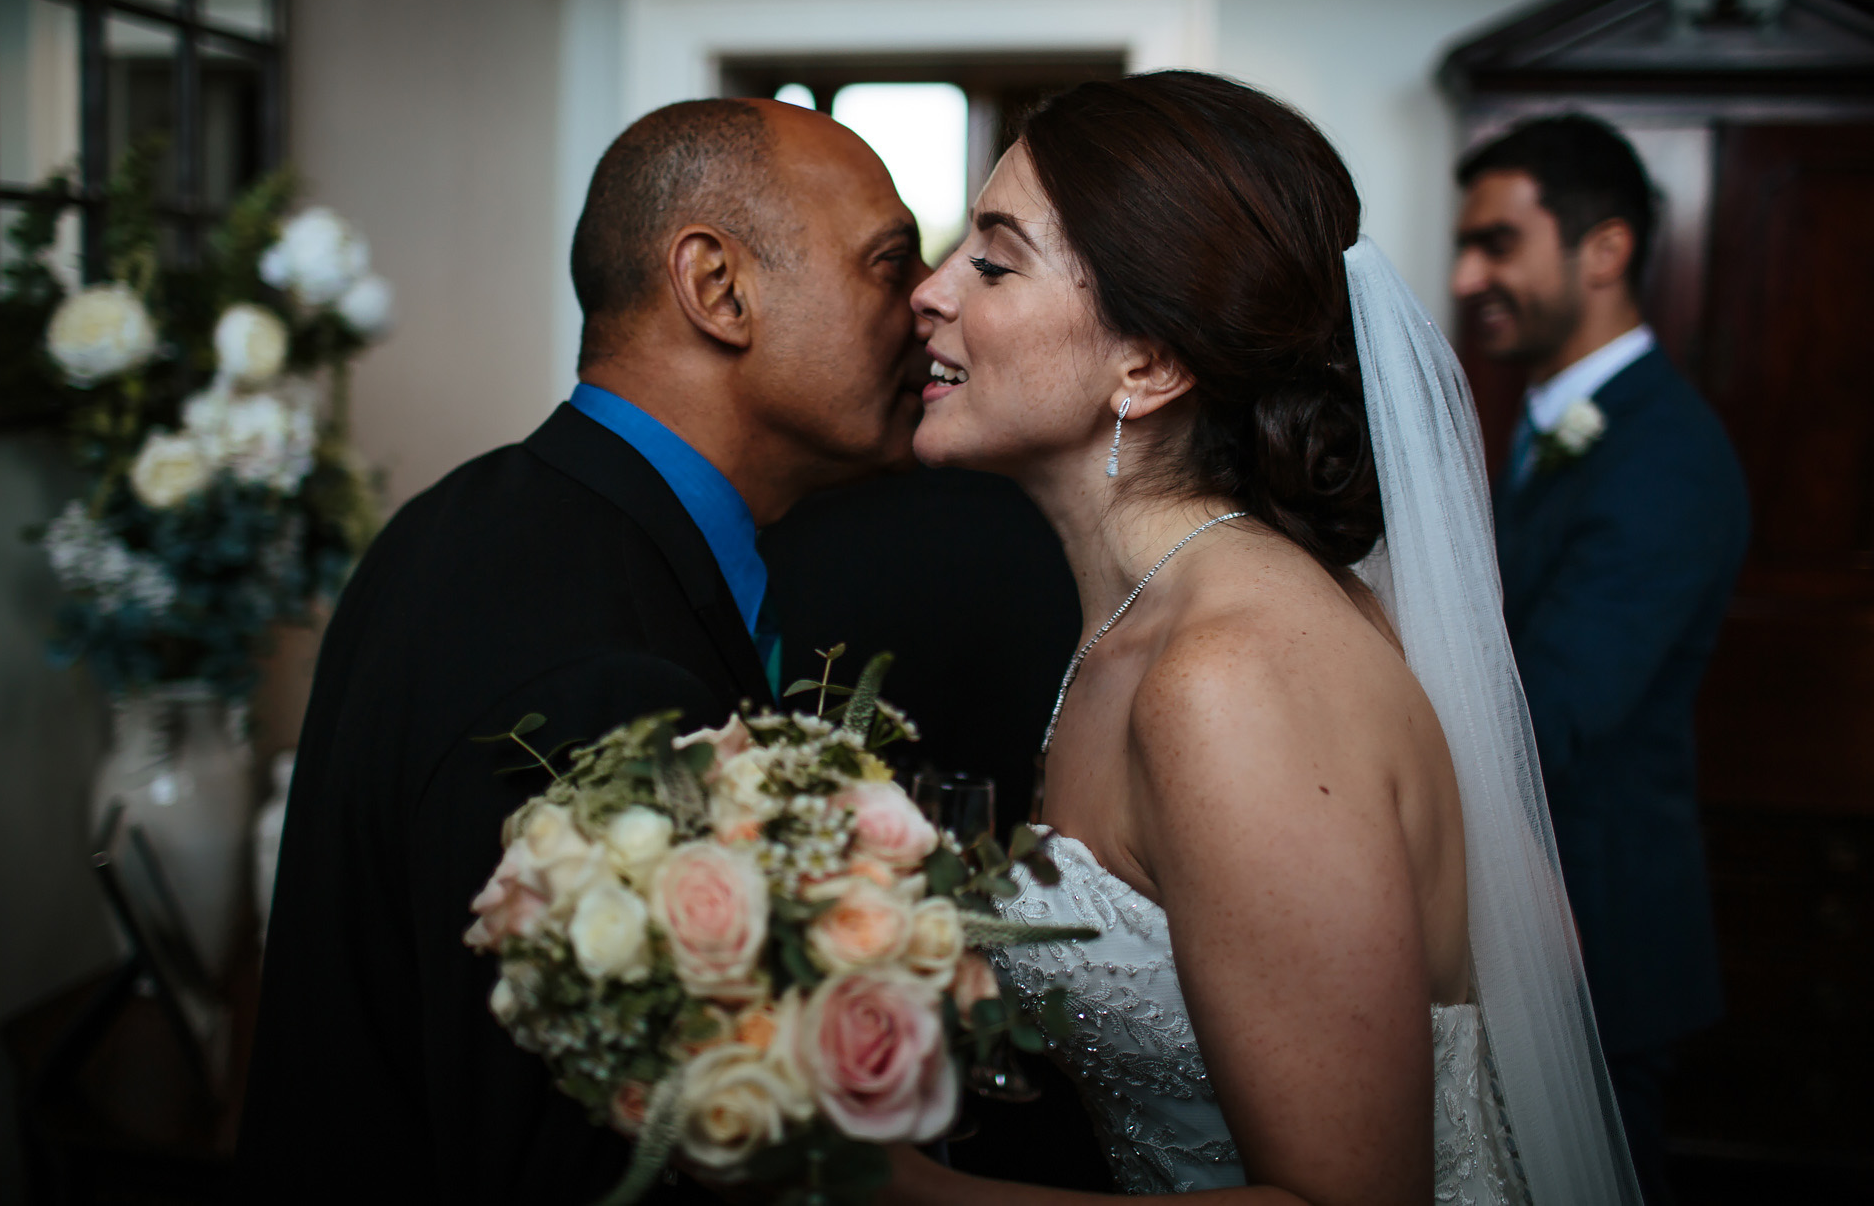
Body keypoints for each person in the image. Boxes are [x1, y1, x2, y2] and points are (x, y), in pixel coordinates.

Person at [885, 72, 1640, 1206]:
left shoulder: (1227, 675)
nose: (927, 294)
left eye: (991, 261)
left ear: (1147, 364)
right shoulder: (1160, 614)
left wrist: (867, 1186)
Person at [237, 97, 930, 1201]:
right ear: (717, 288)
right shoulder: (593, 674)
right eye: (889, 265)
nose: (931, 303)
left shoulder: (472, 515)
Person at [1453, 115, 1749, 1204]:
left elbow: (1552, 703)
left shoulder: (1663, 454)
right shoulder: (1541, 425)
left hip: (1594, 928)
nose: (1464, 274)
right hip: (1522, 912)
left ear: (1604, 250)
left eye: (1494, 242)